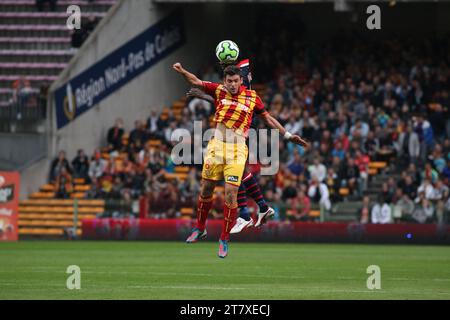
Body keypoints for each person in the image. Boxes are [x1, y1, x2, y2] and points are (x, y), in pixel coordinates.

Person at [172, 62, 307, 258]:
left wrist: (287, 135)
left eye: (236, 81)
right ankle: (200, 228)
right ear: (224, 81)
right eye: (229, 81)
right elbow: (195, 81)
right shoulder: (218, 91)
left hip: (237, 150)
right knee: (206, 188)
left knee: (230, 194)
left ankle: (224, 239)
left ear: (241, 80)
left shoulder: (252, 97)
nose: (233, 84)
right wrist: (183, 71)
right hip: (216, 146)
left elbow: (268, 119)